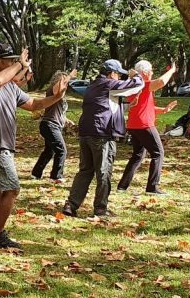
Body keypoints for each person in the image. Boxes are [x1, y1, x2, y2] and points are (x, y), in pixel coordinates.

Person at [0, 45, 69, 250]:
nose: (15, 65)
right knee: (11, 188)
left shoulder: (11, 87)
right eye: (11, 60)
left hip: (5, 145)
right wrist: (20, 63)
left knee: (0, 189)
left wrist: (57, 97)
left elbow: (34, 104)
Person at [62, 59, 145, 219]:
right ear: (111, 73)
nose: (120, 78)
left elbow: (106, 104)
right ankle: (101, 209)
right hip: (102, 134)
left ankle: (71, 205)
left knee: (85, 171)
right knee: (104, 171)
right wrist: (136, 75)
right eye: (118, 74)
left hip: (86, 133)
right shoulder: (108, 84)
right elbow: (136, 84)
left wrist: (127, 106)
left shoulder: (94, 85)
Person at [116, 61, 179, 195]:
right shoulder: (143, 84)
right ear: (144, 73)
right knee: (158, 153)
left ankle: (122, 186)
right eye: (150, 71)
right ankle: (152, 187)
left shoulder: (134, 86)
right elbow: (161, 82)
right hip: (144, 125)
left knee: (138, 155)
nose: (152, 73)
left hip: (134, 125)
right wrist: (172, 70)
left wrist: (163, 110)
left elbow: (143, 107)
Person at [30, 70, 76, 185]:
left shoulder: (61, 94)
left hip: (55, 125)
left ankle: (36, 173)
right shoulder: (52, 90)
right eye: (63, 80)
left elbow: (57, 111)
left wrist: (67, 121)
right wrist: (69, 76)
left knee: (49, 151)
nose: (65, 83)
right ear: (57, 80)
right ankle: (56, 176)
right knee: (61, 150)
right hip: (49, 125)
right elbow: (57, 91)